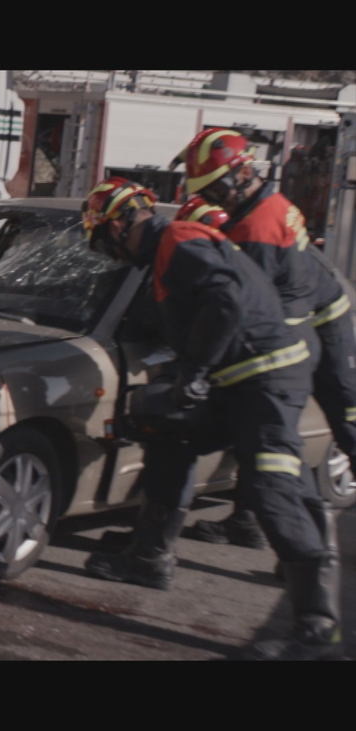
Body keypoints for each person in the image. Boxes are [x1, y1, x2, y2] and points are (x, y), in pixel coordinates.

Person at [79, 178, 341, 660]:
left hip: (266, 380)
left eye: (101, 242)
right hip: (240, 380)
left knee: (271, 488)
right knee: (170, 432)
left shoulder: (178, 240)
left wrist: (195, 372)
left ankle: (316, 628)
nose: (109, 254)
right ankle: (149, 557)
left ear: (116, 227)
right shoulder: (170, 248)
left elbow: (228, 301)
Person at [178, 129, 353, 553]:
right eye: (206, 193)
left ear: (242, 173)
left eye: (215, 189)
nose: (214, 200)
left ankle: (305, 547)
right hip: (307, 320)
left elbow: (243, 305)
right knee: (263, 427)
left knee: (342, 420)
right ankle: (248, 521)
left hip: (322, 324)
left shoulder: (257, 228)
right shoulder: (264, 206)